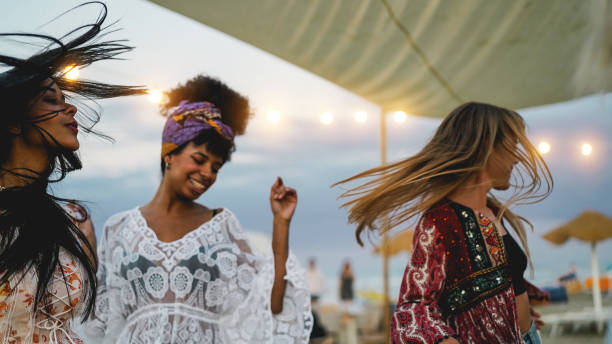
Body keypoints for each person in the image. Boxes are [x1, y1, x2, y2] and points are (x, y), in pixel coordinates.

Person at [78, 75, 312, 343]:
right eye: (199, 159)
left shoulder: (220, 226)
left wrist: (281, 223)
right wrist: (87, 251)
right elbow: (99, 320)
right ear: (169, 153)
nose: (207, 173)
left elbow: (269, 306)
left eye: (216, 167)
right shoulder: (118, 228)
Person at [335, 102, 553, 343]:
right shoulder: (440, 222)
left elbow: (500, 278)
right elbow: (412, 310)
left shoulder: (492, 211)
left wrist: (511, 308)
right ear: (488, 147)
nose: (517, 159)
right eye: (512, 147)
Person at [0, 3, 145, 343]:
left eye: (65, 97)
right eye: (51, 100)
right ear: (14, 123)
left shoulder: (67, 222)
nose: (71, 107)